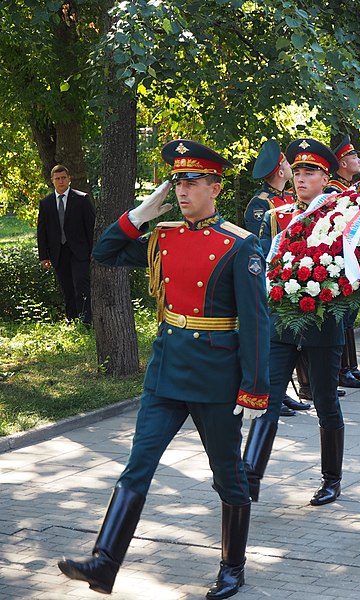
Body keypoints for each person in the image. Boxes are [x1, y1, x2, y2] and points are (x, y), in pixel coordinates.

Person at [58, 140, 270, 599]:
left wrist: (255, 391)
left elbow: (256, 324)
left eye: (191, 181)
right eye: (177, 181)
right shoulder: (165, 236)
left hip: (215, 377)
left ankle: (233, 567)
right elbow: (105, 252)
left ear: (214, 186)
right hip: (167, 370)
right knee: (138, 464)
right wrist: (139, 215)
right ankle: (104, 561)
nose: (182, 189)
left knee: (227, 474)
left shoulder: (239, 245)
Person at [242, 138, 348, 507]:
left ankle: (331, 480)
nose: (301, 179)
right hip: (282, 324)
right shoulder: (278, 216)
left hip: (322, 325)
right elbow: (263, 265)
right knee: (267, 400)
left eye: (310, 173)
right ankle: (250, 476)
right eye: (298, 172)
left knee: (324, 400)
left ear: (325, 177)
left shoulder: (343, 215)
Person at [244, 140, 310, 416]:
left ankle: (283, 390)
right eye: (287, 164)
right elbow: (259, 247)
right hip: (275, 278)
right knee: (274, 339)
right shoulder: (261, 204)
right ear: (280, 171)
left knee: (290, 337)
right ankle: (272, 392)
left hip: (294, 278)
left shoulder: (288, 200)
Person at [325, 135, 360, 388]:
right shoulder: (332, 190)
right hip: (341, 260)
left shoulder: (348, 187)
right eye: (354, 157)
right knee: (343, 316)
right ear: (342, 163)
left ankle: (350, 366)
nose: (359, 160)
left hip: (354, 259)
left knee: (349, 315)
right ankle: (340, 370)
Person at [36, 164, 95, 325]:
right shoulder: (46, 203)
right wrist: (44, 256)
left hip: (80, 251)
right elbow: (42, 231)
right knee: (67, 286)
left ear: (69, 179)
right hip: (58, 251)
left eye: (63, 178)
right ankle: (71, 318)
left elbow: (91, 227)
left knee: (80, 283)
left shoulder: (81, 199)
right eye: (57, 178)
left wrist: (93, 250)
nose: (61, 181)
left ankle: (86, 319)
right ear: (52, 181)